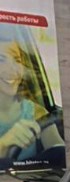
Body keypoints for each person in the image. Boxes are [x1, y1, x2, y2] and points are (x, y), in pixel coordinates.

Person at [0, 33, 64, 161]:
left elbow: (58, 149)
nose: (12, 69)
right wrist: (3, 145)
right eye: (1, 60)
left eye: (17, 60)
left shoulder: (35, 111)